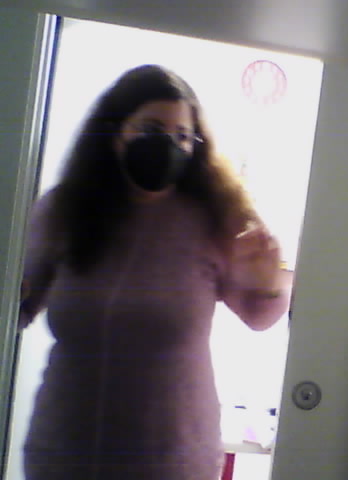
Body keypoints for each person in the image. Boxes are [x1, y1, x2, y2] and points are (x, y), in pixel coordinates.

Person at [18, 64, 290, 479]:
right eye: (151, 129)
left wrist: (269, 282)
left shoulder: (215, 217)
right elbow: (17, 306)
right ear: (115, 133)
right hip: (62, 455)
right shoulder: (62, 211)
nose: (168, 145)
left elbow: (259, 316)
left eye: (182, 136)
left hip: (173, 462)